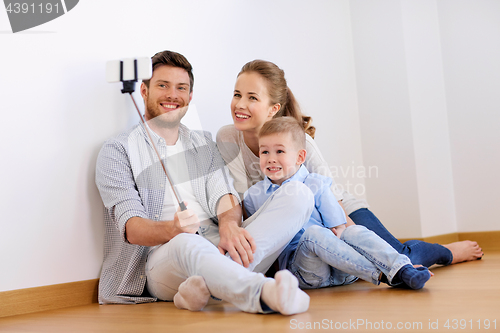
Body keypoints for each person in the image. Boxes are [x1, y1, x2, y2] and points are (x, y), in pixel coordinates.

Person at [95, 51, 313, 315]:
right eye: (162, 85)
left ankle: (207, 288)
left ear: (190, 97)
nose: (172, 95)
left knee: (299, 194)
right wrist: (172, 229)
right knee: (187, 242)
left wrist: (230, 225)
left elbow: (225, 194)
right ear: (143, 90)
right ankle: (262, 294)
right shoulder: (117, 150)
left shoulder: (203, 142)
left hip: (217, 247)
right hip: (163, 259)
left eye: (181, 88)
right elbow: (132, 228)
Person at [216, 59, 483, 269]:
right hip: (299, 227)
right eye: (237, 94)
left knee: (398, 258)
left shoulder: (300, 142)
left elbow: (329, 193)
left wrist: (348, 235)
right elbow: (239, 200)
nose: (240, 104)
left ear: (274, 108)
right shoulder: (227, 137)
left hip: (340, 211)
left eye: (252, 97)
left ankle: (449, 252)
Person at [244, 117, 432, 290]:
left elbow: (339, 229)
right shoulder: (254, 196)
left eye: (279, 151)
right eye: (264, 151)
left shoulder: (316, 183)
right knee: (312, 234)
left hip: (343, 267)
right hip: (305, 270)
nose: (271, 158)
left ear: (300, 157)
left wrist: (370, 251)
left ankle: (401, 267)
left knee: (353, 230)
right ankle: (385, 275)